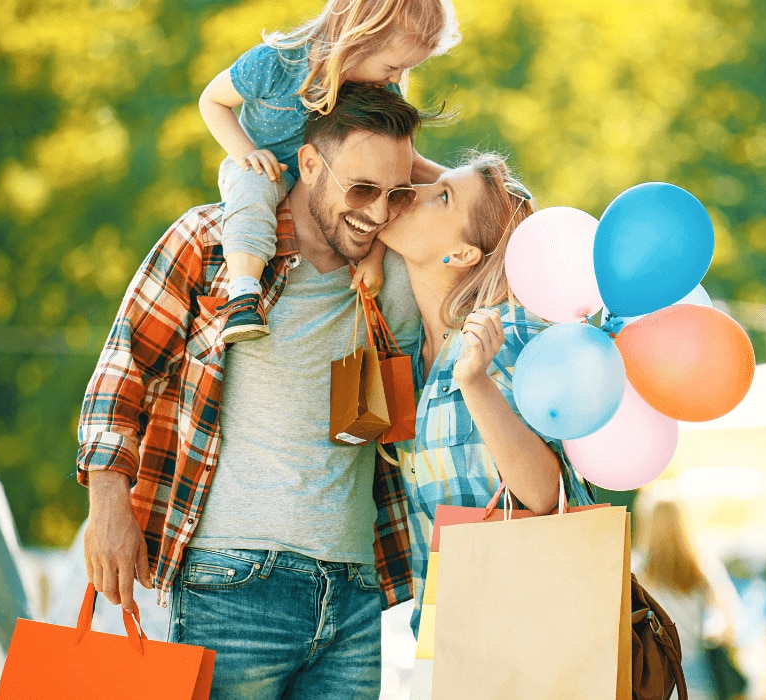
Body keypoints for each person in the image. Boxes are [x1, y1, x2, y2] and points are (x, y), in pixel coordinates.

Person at [79, 83, 425, 699]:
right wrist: (108, 503)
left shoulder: (393, 273)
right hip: (232, 586)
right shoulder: (211, 242)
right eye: (363, 188)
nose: (377, 212)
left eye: (396, 193)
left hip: (354, 596)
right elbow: (121, 372)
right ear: (310, 163)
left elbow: (488, 216)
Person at [373, 152, 596, 635]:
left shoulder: (508, 332)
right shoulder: (410, 357)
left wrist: (474, 384)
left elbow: (543, 493)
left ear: (464, 254)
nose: (418, 193)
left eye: (443, 197)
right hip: (446, 635)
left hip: (527, 635)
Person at [198, 0, 459, 344]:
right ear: (358, 40)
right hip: (265, 168)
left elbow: (399, 173)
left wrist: (374, 257)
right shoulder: (273, 63)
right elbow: (212, 101)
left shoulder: (378, 89)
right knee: (253, 190)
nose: (397, 78)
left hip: (327, 196)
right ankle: (244, 294)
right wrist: (247, 153)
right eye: (394, 66)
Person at [635, 497, 743, 700]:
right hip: (697, 680)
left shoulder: (636, 571)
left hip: (652, 681)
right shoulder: (703, 568)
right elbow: (731, 629)